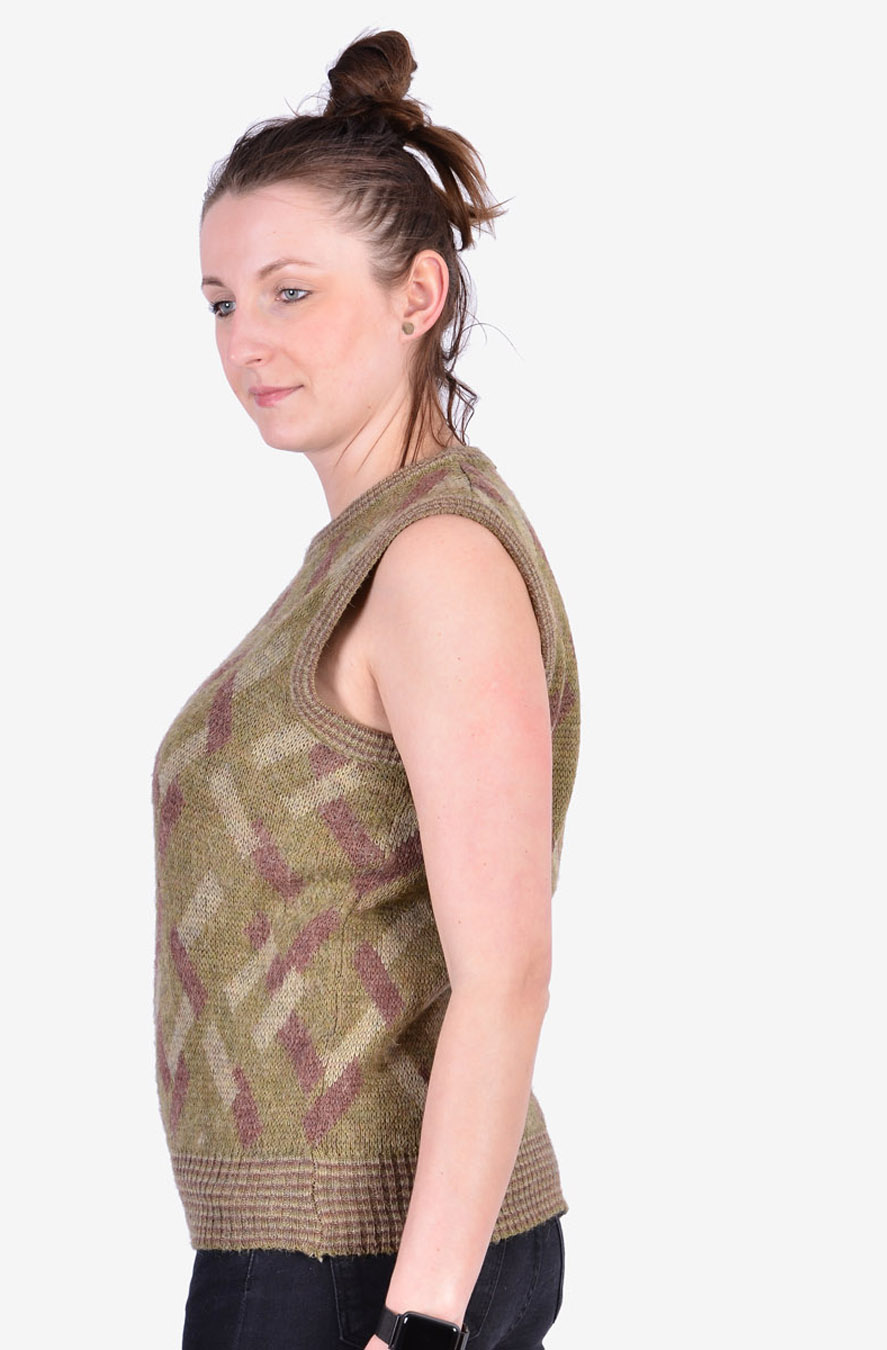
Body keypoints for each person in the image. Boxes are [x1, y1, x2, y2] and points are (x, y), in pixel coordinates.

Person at [152, 29, 580, 1350]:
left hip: (361, 1275)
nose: (247, 340)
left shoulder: (437, 560)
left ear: (417, 294)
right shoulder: (366, 555)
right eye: (222, 302)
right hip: (318, 1260)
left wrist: (421, 1322)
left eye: (291, 291)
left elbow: (505, 971)